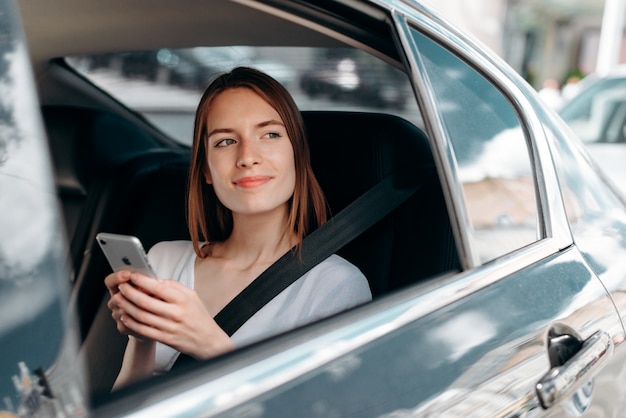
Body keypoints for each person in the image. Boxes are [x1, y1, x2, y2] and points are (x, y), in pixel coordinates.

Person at [104, 67, 372, 389]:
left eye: (270, 134)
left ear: (298, 155)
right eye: (226, 141)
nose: (247, 157)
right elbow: (128, 399)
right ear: (205, 169)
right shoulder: (163, 259)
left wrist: (212, 346)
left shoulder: (335, 288)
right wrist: (143, 337)